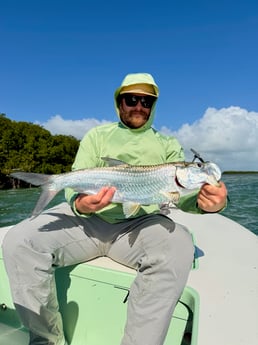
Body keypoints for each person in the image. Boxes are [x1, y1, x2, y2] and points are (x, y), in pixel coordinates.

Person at [2, 73, 227, 345]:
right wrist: (81, 203)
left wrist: (207, 204)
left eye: (147, 101)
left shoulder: (168, 146)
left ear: (153, 106)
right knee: (19, 240)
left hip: (139, 225)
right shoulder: (97, 136)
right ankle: (45, 340)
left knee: (179, 245)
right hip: (85, 222)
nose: (139, 106)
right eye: (131, 99)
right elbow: (75, 186)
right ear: (119, 102)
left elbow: (179, 198)